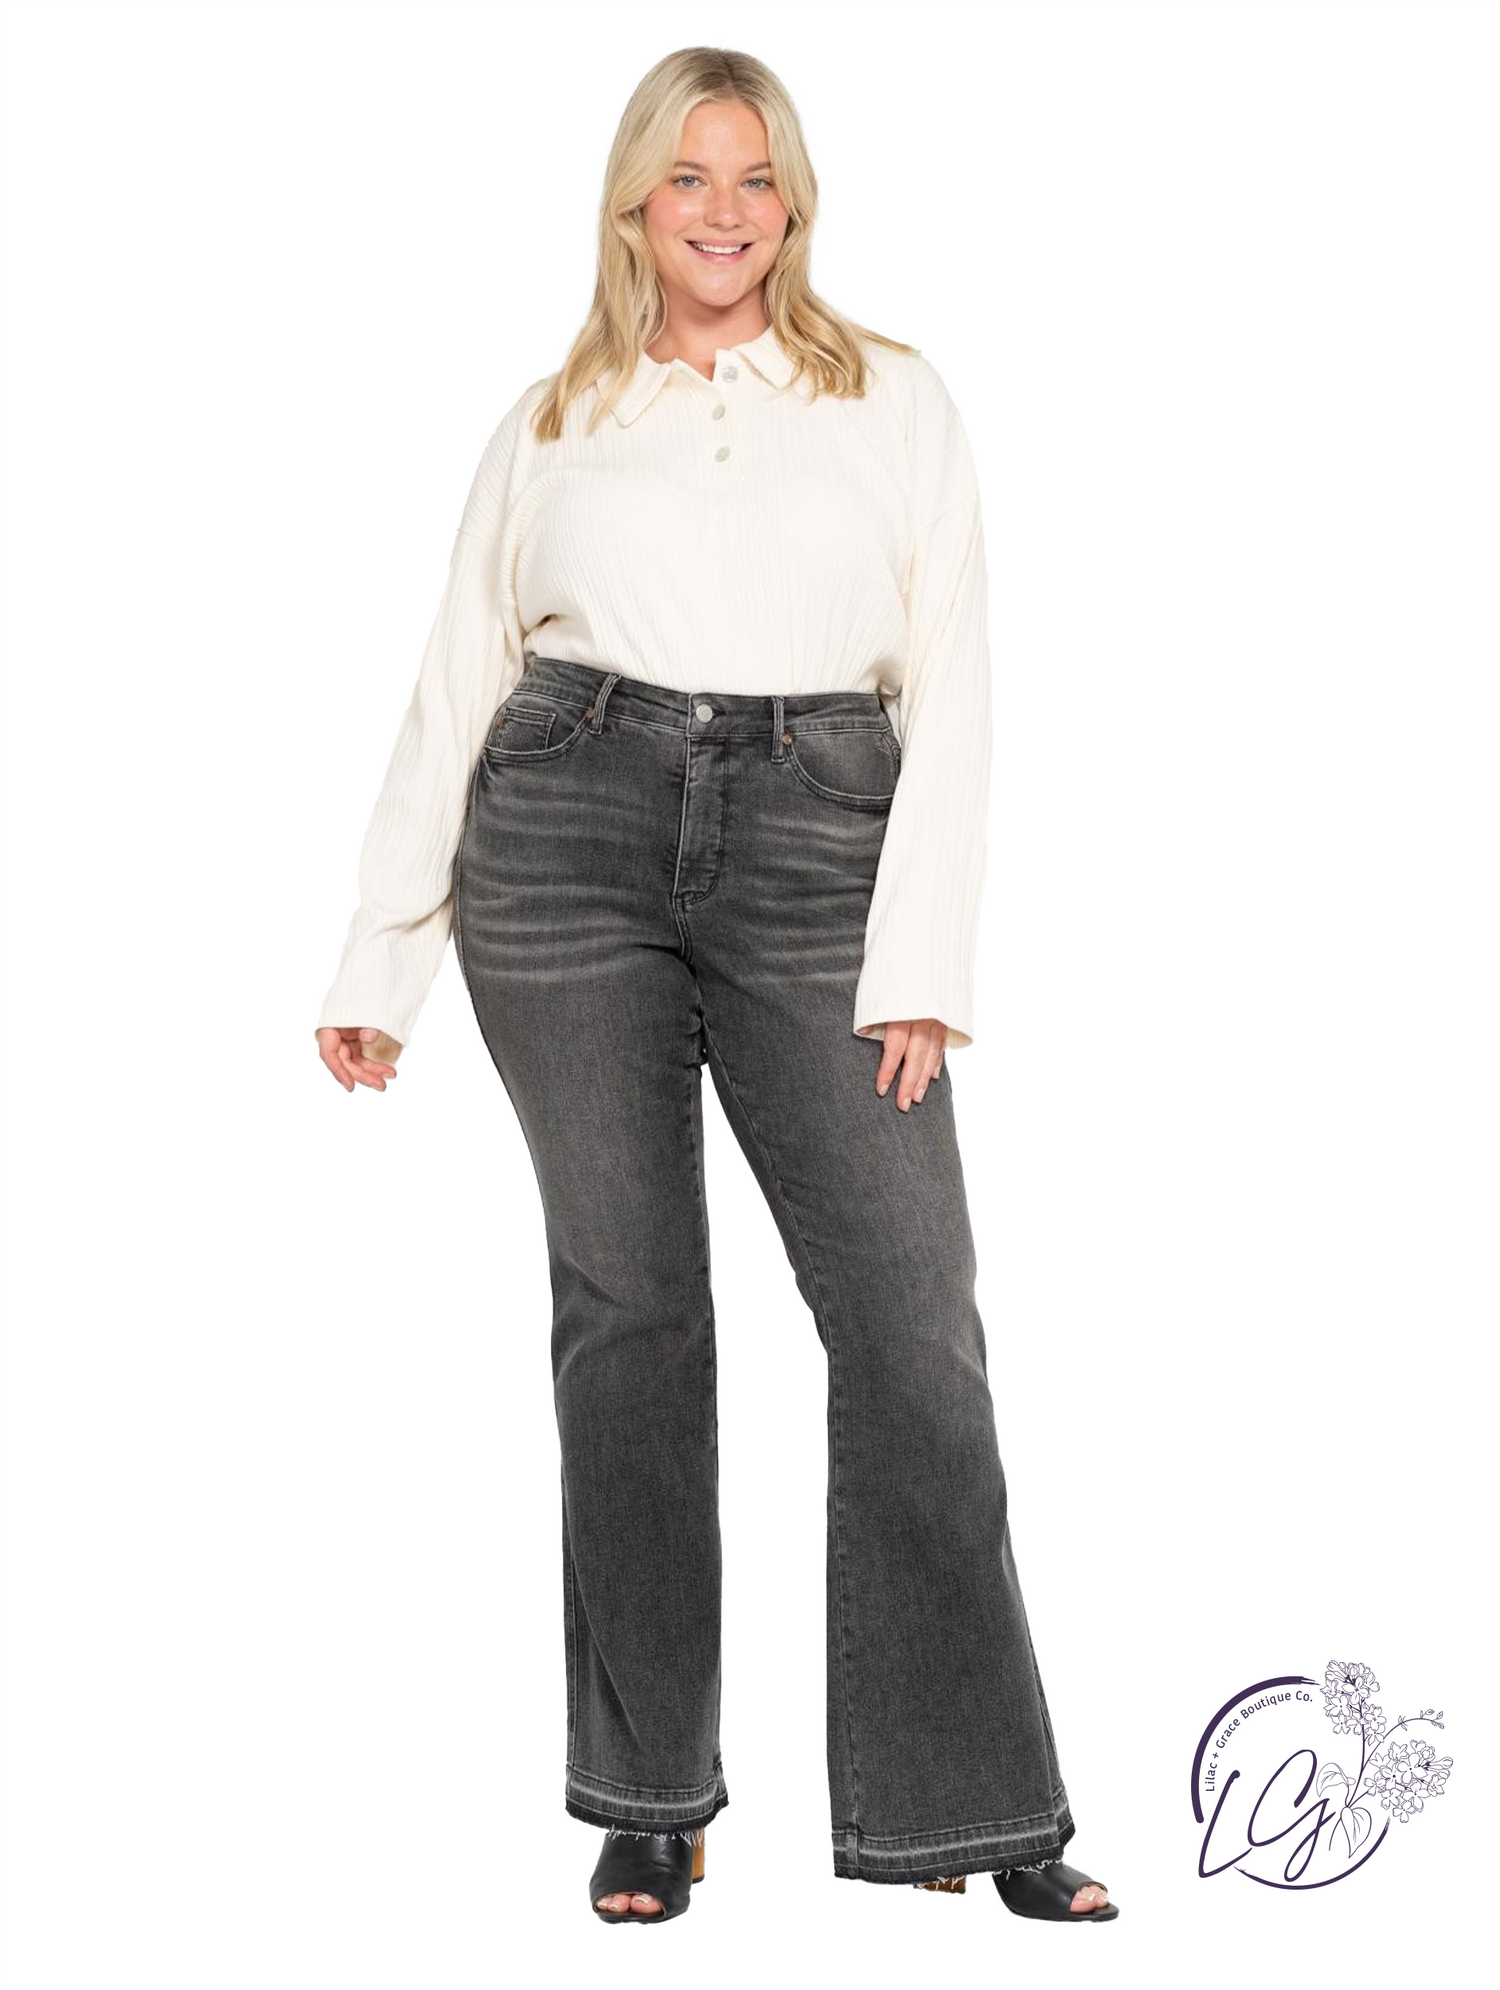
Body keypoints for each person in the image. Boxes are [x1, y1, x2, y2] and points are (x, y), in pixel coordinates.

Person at [314, 45, 1118, 1929]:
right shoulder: (556, 416)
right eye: (689, 176)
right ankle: (648, 1793)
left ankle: (971, 1799)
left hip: (824, 843)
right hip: (566, 831)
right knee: (632, 1321)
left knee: (913, 1322)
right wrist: (382, 954)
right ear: (634, 202)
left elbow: (958, 682)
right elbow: (457, 677)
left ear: (794, 202)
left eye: (756, 178)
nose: (725, 211)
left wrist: (921, 961)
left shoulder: (892, 399)